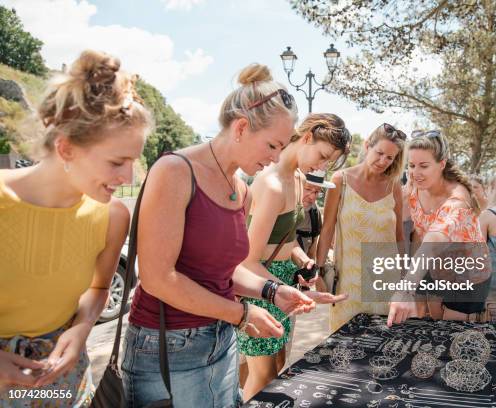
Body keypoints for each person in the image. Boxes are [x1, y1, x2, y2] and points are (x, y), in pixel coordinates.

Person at [122, 64, 317, 408]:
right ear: (241, 127)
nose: (275, 157)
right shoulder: (175, 171)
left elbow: (226, 268)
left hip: (222, 341)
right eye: (272, 145)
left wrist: (272, 291)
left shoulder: (242, 189)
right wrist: (241, 314)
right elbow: (157, 278)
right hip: (168, 348)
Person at [0, 50, 152, 406]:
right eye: (117, 161)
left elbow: (100, 287)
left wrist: (83, 327)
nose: (128, 177)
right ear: (66, 148)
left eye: (133, 161)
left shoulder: (113, 216)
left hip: (65, 380)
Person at [239, 113, 351, 401]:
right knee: (262, 377)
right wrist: (284, 290)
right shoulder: (273, 183)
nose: (322, 166)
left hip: (282, 279)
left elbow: (286, 240)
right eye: (322, 156)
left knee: (277, 369)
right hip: (261, 288)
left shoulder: (298, 178)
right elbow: (248, 260)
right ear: (307, 137)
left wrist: (303, 262)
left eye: (329, 162)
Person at [316, 123, 410, 332]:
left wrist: (405, 281)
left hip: (385, 282)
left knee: (381, 349)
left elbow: (399, 237)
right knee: (344, 350)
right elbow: (327, 229)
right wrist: (319, 270)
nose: (383, 161)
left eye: (390, 158)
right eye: (380, 153)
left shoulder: (393, 185)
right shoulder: (341, 180)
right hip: (348, 283)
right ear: (367, 146)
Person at [399, 130, 491, 322]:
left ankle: (477, 319)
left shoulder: (457, 198)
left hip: (469, 278)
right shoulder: (414, 186)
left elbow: (433, 240)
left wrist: (405, 289)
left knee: (454, 329)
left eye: (423, 166)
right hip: (437, 269)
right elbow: (417, 230)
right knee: (435, 321)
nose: (416, 173)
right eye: (412, 165)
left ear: (442, 164)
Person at [296, 170, 334, 258]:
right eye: (308, 189)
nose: (312, 197)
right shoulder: (277, 209)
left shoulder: (314, 213)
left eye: (317, 192)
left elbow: (312, 252)